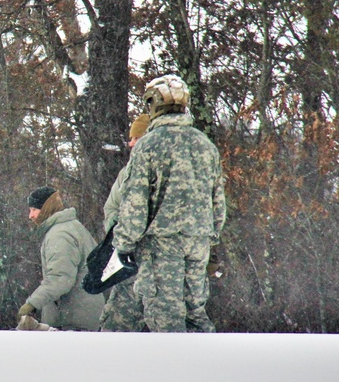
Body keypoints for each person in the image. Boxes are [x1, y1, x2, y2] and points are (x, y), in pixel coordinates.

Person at [113, 76, 226, 332]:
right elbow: (218, 202)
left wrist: (125, 244)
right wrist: (211, 238)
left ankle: (172, 369)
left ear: (152, 104)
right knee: (195, 313)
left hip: (162, 245)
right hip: (198, 243)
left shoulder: (149, 146)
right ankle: (203, 367)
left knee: (165, 318)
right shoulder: (205, 146)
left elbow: (135, 205)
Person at [17, 187, 105, 331]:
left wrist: (31, 304)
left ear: (46, 208)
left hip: (74, 321)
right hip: (86, 317)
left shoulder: (60, 235)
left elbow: (60, 279)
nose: (30, 216)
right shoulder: (73, 227)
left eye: (34, 210)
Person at [99, 113, 150, 332]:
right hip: (128, 262)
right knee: (115, 325)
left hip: (156, 265)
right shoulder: (125, 174)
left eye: (136, 138)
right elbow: (110, 208)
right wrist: (118, 232)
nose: (130, 143)